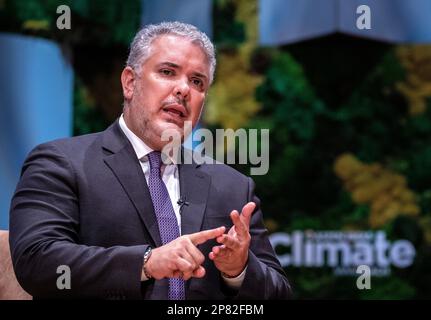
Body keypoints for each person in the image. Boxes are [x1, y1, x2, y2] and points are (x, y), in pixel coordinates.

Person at [9, 21, 292, 299]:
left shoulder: (233, 186)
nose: (184, 90)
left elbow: (279, 292)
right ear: (130, 82)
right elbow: (37, 261)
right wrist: (145, 263)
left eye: (197, 81)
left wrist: (238, 270)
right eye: (168, 72)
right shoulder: (61, 163)